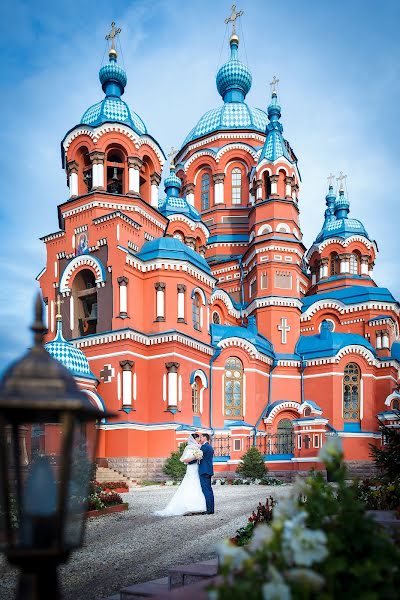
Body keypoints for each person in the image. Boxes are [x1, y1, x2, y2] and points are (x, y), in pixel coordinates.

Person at [153, 434, 206, 516]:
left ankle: (198, 507)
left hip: (197, 468)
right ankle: (188, 507)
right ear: (194, 439)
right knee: (190, 485)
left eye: (199, 437)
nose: (199, 439)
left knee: (197, 485)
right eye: (198, 437)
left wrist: (199, 456)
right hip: (191, 469)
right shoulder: (189, 447)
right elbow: (185, 459)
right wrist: (195, 457)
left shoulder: (199, 447)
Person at [197, 432, 215, 515]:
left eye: (201, 437)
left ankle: (208, 510)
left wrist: (188, 461)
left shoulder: (204, 447)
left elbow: (198, 457)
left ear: (205, 438)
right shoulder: (210, 447)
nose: (200, 439)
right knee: (210, 490)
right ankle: (211, 509)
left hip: (204, 471)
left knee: (206, 490)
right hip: (209, 470)